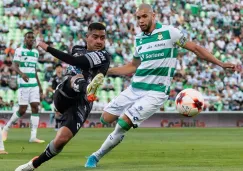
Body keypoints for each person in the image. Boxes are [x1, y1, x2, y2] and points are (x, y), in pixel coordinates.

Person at [85, 4, 240, 168]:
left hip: (156, 92)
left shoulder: (169, 33)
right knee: (105, 118)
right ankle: (120, 129)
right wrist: (105, 71)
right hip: (135, 88)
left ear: (153, 15)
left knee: (124, 123)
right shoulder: (139, 39)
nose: (141, 21)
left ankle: (95, 156)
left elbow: (195, 48)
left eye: (144, 16)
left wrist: (220, 63)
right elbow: (133, 66)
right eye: (138, 18)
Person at [15, 22, 111, 171]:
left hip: (83, 103)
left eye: (102, 38)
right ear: (87, 37)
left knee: (61, 140)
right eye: (95, 37)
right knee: (76, 78)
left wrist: (45, 46)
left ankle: (33, 164)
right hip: (65, 92)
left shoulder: (104, 55)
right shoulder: (77, 49)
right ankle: (87, 88)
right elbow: (75, 61)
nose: (99, 41)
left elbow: (76, 61)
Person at [2, 31, 45, 143]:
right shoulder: (19, 51)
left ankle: (33, 136)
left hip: (34, 84)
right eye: (28, 37)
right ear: (25, 39)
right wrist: (22, 74)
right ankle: (6, 128)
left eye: (32, 38)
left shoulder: (36, 52)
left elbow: (34, 70)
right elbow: (14, 66)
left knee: (35, 106)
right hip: (23, 84)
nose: (31, 39)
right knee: (22, 110)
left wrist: (40, 86)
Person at [50, 63, 65, 131]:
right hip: (56, 96)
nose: (59, 69)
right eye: (57, 67)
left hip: (64, 96)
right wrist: (54, 91)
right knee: (57, 111)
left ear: (62, 68)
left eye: (60, 67)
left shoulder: (65, 77)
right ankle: (56, 125)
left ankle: (62, 125)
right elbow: (48, 87)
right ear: (55, 69)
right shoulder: (53, 77)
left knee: (63, 111)